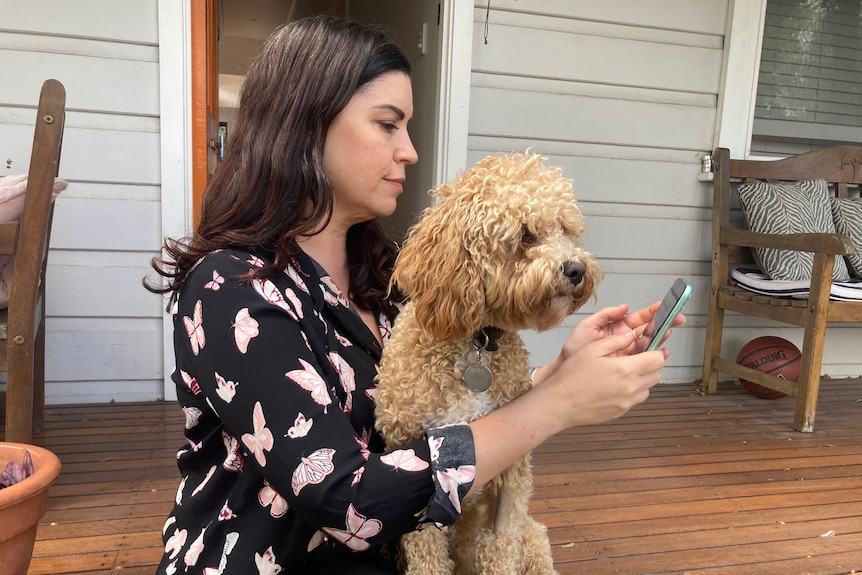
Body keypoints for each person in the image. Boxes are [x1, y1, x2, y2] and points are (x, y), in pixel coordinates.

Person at [146, 14, 681, 575]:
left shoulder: (386, 282)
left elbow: (437, 425)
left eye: (407, 128)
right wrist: (557, 405)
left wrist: (565, 374)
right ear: (306, 124)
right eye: (387, 125)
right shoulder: (231, 291)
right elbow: (349, 500)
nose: (409, 152)